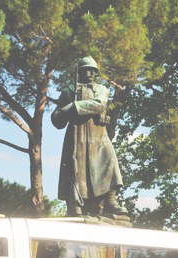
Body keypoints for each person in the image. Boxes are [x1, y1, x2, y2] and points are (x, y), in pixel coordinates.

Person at [51, 56, 127, 217]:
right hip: (76, 137)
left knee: (110, 162)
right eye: (87, 69)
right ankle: (76, 204)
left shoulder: (101, 89)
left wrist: (74, 106)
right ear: (80, 71)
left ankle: (111, 202)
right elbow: (57, 120)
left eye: (93, 70)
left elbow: (99, 103)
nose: (91, 73)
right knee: (76, 172)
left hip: (98, 136)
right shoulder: (68, 91)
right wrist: (63, 111)